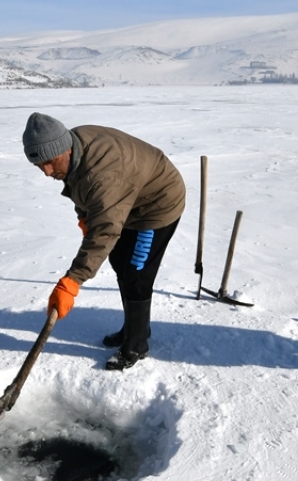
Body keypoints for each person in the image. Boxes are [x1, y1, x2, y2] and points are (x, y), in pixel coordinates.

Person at [22, 113, 186, 370]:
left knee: (136, 273)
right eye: (39, 165)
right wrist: (85, 217)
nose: (46, 172)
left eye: (50, 162)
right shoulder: (74, 148)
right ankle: (133, 327)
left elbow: (105, 231)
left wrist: (72, 281)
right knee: (120, 262)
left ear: (65, 149)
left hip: (155, 205)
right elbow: (82, 190)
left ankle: (137, 343)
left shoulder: (104, 174)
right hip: (125, 201)